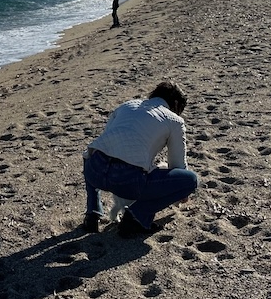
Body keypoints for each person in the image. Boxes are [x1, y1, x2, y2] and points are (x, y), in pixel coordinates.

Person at [81, 80, 199, 237]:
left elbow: (105, 140)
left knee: (92, 153)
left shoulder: (126, 105)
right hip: (127, 180)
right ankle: (137, 216)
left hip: (94, 171)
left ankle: (92, 214)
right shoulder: (175, 121)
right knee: (190, 180)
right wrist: (181, 191)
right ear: (176, 103)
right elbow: (177, 165)